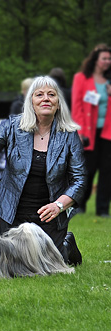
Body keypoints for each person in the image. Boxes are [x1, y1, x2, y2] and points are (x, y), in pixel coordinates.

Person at [0, 76, 86, 266]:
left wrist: (58, 205)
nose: (46, 99)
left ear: (58, 103)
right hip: (11, 211)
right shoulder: (13, 125)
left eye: (51, 95)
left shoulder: (69, 135)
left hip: (49, 213)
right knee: (10, 263)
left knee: (52, 263)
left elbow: (79, 180)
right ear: (30, 101)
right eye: (39, 94)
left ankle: (66, 243)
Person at [72, 43, 111, 217]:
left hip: (108, 132)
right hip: (88, 131)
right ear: (95, 60)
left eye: (110, 59)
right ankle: (80, 204)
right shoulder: (81, 78)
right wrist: (79, 131)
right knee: (88, 169)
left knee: (107, 171)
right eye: (104, 58)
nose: (108, 62)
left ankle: (103, 209)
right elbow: (77, 105)